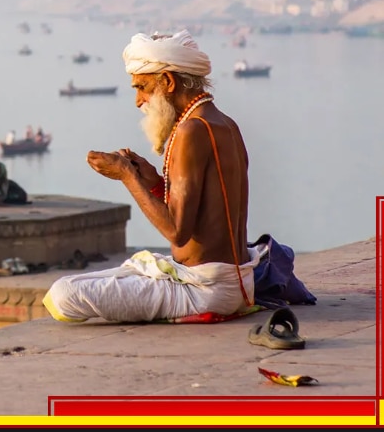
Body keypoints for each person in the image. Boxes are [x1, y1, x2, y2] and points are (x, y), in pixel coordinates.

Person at [44, 30, 262, 324]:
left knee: (64, 294)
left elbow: (178, 232)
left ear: (168, 82)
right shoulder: (224, 123)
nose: (138, 101)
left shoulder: (191, 131)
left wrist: (126, 176)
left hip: (206, 289)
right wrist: (154, 182)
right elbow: (202, 217)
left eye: (142, 88)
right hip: (234, 280)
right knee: (104, 277)